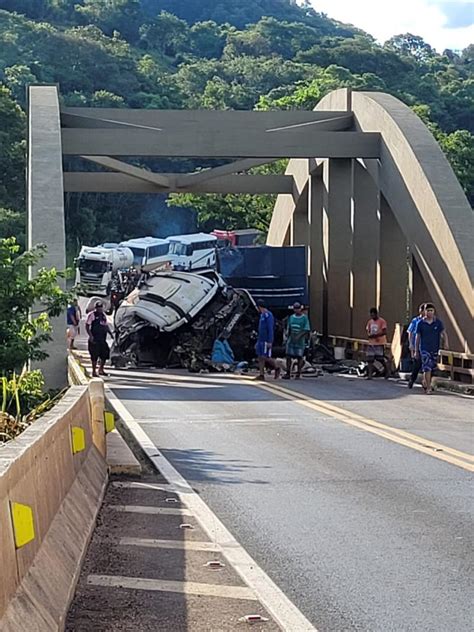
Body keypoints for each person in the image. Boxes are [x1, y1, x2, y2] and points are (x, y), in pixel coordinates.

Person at [415, 303, 448, 394]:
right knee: (427, 367)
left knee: (432, 367)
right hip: (424, 348)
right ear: (424, 312)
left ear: (434, 312)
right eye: (428, 311)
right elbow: (417, 337)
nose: (429, 312)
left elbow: (443, 333)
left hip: (435, 348)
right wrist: (416, 350)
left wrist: (446, 343)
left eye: (431, 311)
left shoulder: (438, 322)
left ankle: (426, 381)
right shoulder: (420, 323)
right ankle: (429, 387)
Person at [283, 302, 311, 380]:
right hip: (291, 340)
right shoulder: (291, 317)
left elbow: (306, 329)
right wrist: (287, 338)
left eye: (298, 308)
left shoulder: (304, 318)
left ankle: (298, 373)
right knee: (288, 356)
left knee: (299, 357)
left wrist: (299, 336)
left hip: (300, 341)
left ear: (300, 309)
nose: (296, 310)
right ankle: (288, 372)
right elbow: (289, 328)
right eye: (295, 308)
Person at [85, 301, 112, 377]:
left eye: (101, 307)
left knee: (105, 354)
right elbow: (87, 325)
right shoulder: (92, 315)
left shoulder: (103, 315)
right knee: (94, 355)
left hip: (102, 339)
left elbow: (106, 326)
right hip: (95, 338)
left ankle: (101, 369)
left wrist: (110, 333)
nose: (99, 309)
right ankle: (94, 371)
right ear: (95, 308)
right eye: (98, 308)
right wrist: (90, 336)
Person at [254, 299, 279, 381]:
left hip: (266, 340)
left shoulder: (269, 315)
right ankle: (261, 374)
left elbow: (270, 329)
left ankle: (276, 367)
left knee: (266, 357)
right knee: (260, 357)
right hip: (260, 339)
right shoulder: (262, 315)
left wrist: (270, 341)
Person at [407, 303, 426, 389]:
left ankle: (426, 383)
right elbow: (410, 332)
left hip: (426, 346)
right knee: (417, 365)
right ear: (420, 311)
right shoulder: (416, 320)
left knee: (427, 366)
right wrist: (411, 344)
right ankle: (412, 380)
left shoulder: (430, 321)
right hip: (417, 346)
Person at [365, 307, 388, 379]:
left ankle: (387, 371)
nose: (372, 317)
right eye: (371, 315)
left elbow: (384, 332)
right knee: (370, 359)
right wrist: (369, 335)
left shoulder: (382, 321)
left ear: (376, 314)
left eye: (373, 315)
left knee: (380, 358)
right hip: (371, 343)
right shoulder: (370, 322)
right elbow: (368, 330)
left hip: (379, 343)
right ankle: (370, 375)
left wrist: (376, 335)